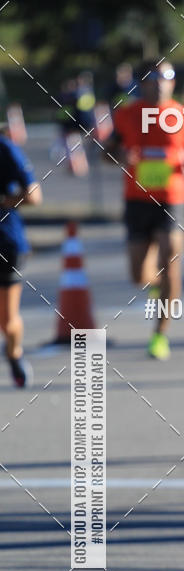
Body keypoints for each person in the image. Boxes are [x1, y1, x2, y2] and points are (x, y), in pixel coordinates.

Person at [105, 59, 184, 360]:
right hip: (137, 199)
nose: (160, 84)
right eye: (153, 78)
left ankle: (160, 335)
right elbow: (106, 153)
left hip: (171, 199)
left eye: (166, 77)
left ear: (173, 82)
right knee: (139, 275)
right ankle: (157, 284)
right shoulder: (126, 115)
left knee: (171, 261)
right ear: (142, 83)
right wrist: (119, 155)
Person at [0, 128, 42, 387]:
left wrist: (5, 200)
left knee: (7, 319)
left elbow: (34, 196)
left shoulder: (5, 149)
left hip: (6, 243)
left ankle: (14, 354)